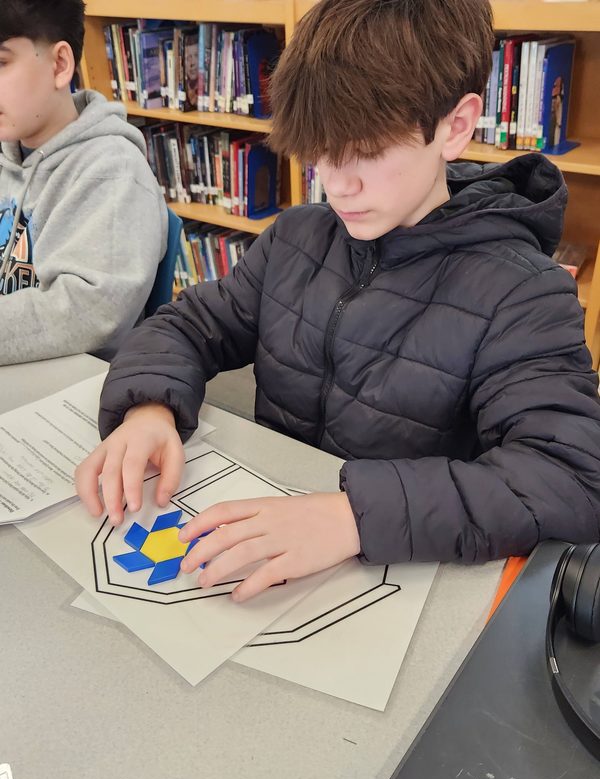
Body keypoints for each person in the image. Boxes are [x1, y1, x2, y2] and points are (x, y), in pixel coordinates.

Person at [76, 0, 600, 602]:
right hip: (274, 534)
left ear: (455, 127)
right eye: (321, 152)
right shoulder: (297, 237)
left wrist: (353, 516)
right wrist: (149, 407)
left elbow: (571, 478)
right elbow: (190, 324)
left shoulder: (523, 294)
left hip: (402, 575)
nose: (337, 184)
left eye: (369, 152)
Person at [0, 0, 168, 364]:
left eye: (2, 62)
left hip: (72, 383)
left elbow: (91, 313)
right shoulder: (7, 151)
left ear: (60, 65)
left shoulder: (113, 170)